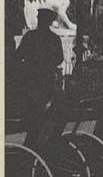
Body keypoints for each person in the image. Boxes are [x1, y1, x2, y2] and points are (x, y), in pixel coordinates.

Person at [14, 8, 65, 138]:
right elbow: (59, 58)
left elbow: (18, 55)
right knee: (44, 113)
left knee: (31, 112)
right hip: (47, 80)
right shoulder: (55, 38)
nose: (37, 20)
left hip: (31, 80)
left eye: (39, 18)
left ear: (43, 20)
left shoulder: (31, 36)